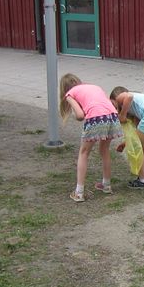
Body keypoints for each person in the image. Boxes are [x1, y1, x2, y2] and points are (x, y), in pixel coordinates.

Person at [59, 74, 122, 202]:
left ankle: (79, 192)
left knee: (84, 153)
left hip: (96, 118)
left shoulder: (70, 94)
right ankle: (106, 185)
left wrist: (78, 115)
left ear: (64, 89)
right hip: (112, 117)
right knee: (104, 150)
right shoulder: (94, 86)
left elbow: (80, 115)